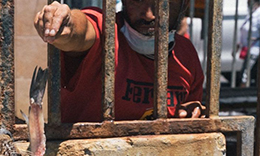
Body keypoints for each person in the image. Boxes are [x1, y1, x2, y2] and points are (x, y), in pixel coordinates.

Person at [34, 1, 205, 121]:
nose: (149, 15)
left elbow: (187, 113)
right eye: (138, 0)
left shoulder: (185, 54)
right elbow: (83, 30)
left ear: (184, 3)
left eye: (163, 2)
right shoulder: (106, 31)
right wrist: (65, 25)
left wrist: (192, 114)